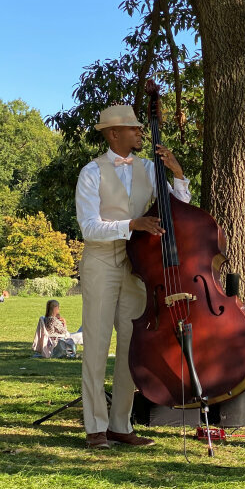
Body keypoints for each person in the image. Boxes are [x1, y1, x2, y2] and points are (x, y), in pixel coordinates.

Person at [76, 104, 191, 449]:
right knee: (95, 346)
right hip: (101, 264)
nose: (142, 133)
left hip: (137, 267)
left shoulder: (150, 169)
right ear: (113, 134)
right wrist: (132, 224)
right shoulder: (91, 172)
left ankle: (120, 425)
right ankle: (95, 427)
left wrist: (178, 173)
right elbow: (89, 227)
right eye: (134, 129)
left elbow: (177, 208)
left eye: (142, 128)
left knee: (132, 347)